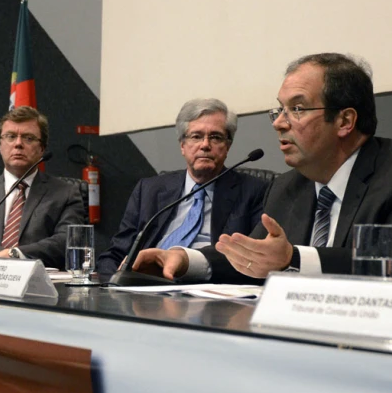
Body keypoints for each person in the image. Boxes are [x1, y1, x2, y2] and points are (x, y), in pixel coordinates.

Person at [131, 53, 392, 299]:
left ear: (344, 121)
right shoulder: (288, 186)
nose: (279, 122)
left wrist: (293, 259)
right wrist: (185, 258)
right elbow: (253, 256)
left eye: (297, 108)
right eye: (278, 109)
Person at [97, 98, 269, 275]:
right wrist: (115, 281)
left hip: (205, 288)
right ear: (182, 145)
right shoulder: (149, 190)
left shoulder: (254, 192)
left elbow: (253, 259)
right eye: (196, 136)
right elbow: (115, 254)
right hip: (144, 285)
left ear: (227, 146)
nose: (205, 145)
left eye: (215, 137)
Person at [0, 106, 85, 268]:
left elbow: (67, 240)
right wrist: (7, 258)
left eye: (28, 138)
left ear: (42, 149)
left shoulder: (66, 193)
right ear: (0, 145)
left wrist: (15, 254)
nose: (18, 144)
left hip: (40, 286)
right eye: (10, 137)